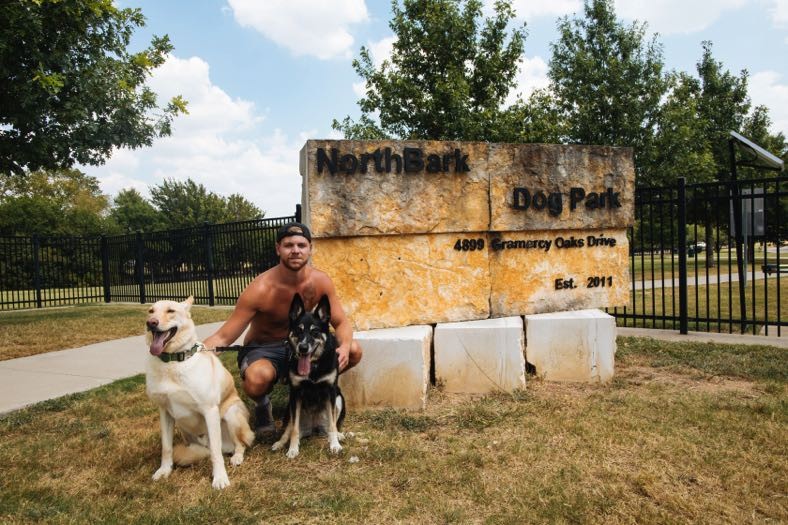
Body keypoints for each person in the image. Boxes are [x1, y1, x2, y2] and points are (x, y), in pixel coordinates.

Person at [203, 222, 362, 436]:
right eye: (288, 245)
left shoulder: (320, 281)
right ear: (278, 249)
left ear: (310, 248)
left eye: (301, 245)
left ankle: (313, 389)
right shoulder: (260, 288)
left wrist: (342, 348)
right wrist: (194, 354)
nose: (295, 250)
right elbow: (224, 335)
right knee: (258, 378)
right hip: (265, 348)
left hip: (302, 345)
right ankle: (262, 404)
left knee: (353, 350)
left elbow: (341, 323)